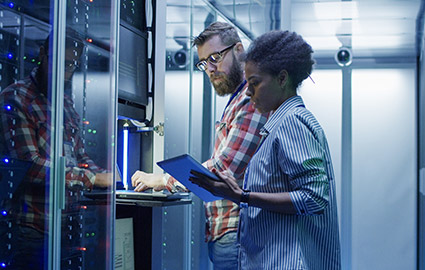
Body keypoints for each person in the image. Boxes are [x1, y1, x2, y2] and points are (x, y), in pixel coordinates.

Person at [189, 30, 341, 269]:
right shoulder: (280, 122)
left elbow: (313, 198)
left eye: (255, 83)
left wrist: (242, 197)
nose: (248, 93)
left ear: (282, 79)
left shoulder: (291, 121)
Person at [131, 22, 269, 269]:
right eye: (204, 63)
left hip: (238, 232)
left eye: (216, 57)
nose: (210, 69)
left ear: (239, 50)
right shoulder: (238, 99)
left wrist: (163, 180)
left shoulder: (250, 99)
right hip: (228, 233)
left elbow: (224, 167)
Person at [0, 31, 111, 269]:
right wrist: (93, 178)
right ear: (43, 54)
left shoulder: (65, 103)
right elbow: (30, 166)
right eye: (57, 61)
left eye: (70, 64)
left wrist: (110, 178)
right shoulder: (17, 97)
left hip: (66, 226)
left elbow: (79, 157)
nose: (63, 70)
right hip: (31, 228)